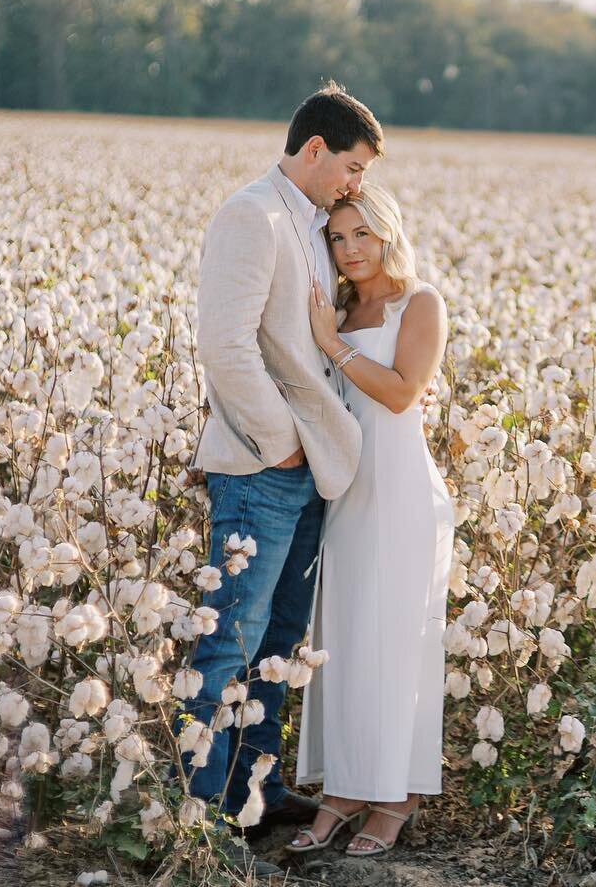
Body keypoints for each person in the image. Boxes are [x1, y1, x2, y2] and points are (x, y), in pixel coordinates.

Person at [179, 82, 383, 877]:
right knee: (228, 642)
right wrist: (279, 445)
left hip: (303, 472)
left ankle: (252, 792)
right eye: (353, 166)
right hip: (263, 468)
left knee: (275, 643)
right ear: (313, 150)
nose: (356, 184)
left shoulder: (304, 222)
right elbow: (224, 346)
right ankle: (200, 820)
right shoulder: (251, 215)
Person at [285, 182, 454, 859]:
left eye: (363, 234)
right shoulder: (341, 309)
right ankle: (348, 787)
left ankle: (397, 795)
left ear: (388, 232)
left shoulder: (421, 302)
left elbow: (404, 392)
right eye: (338, 237)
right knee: (347, 639)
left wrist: (336, 344)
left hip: (406, 493)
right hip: (349, 492)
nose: (351, 248)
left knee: (400, 642)